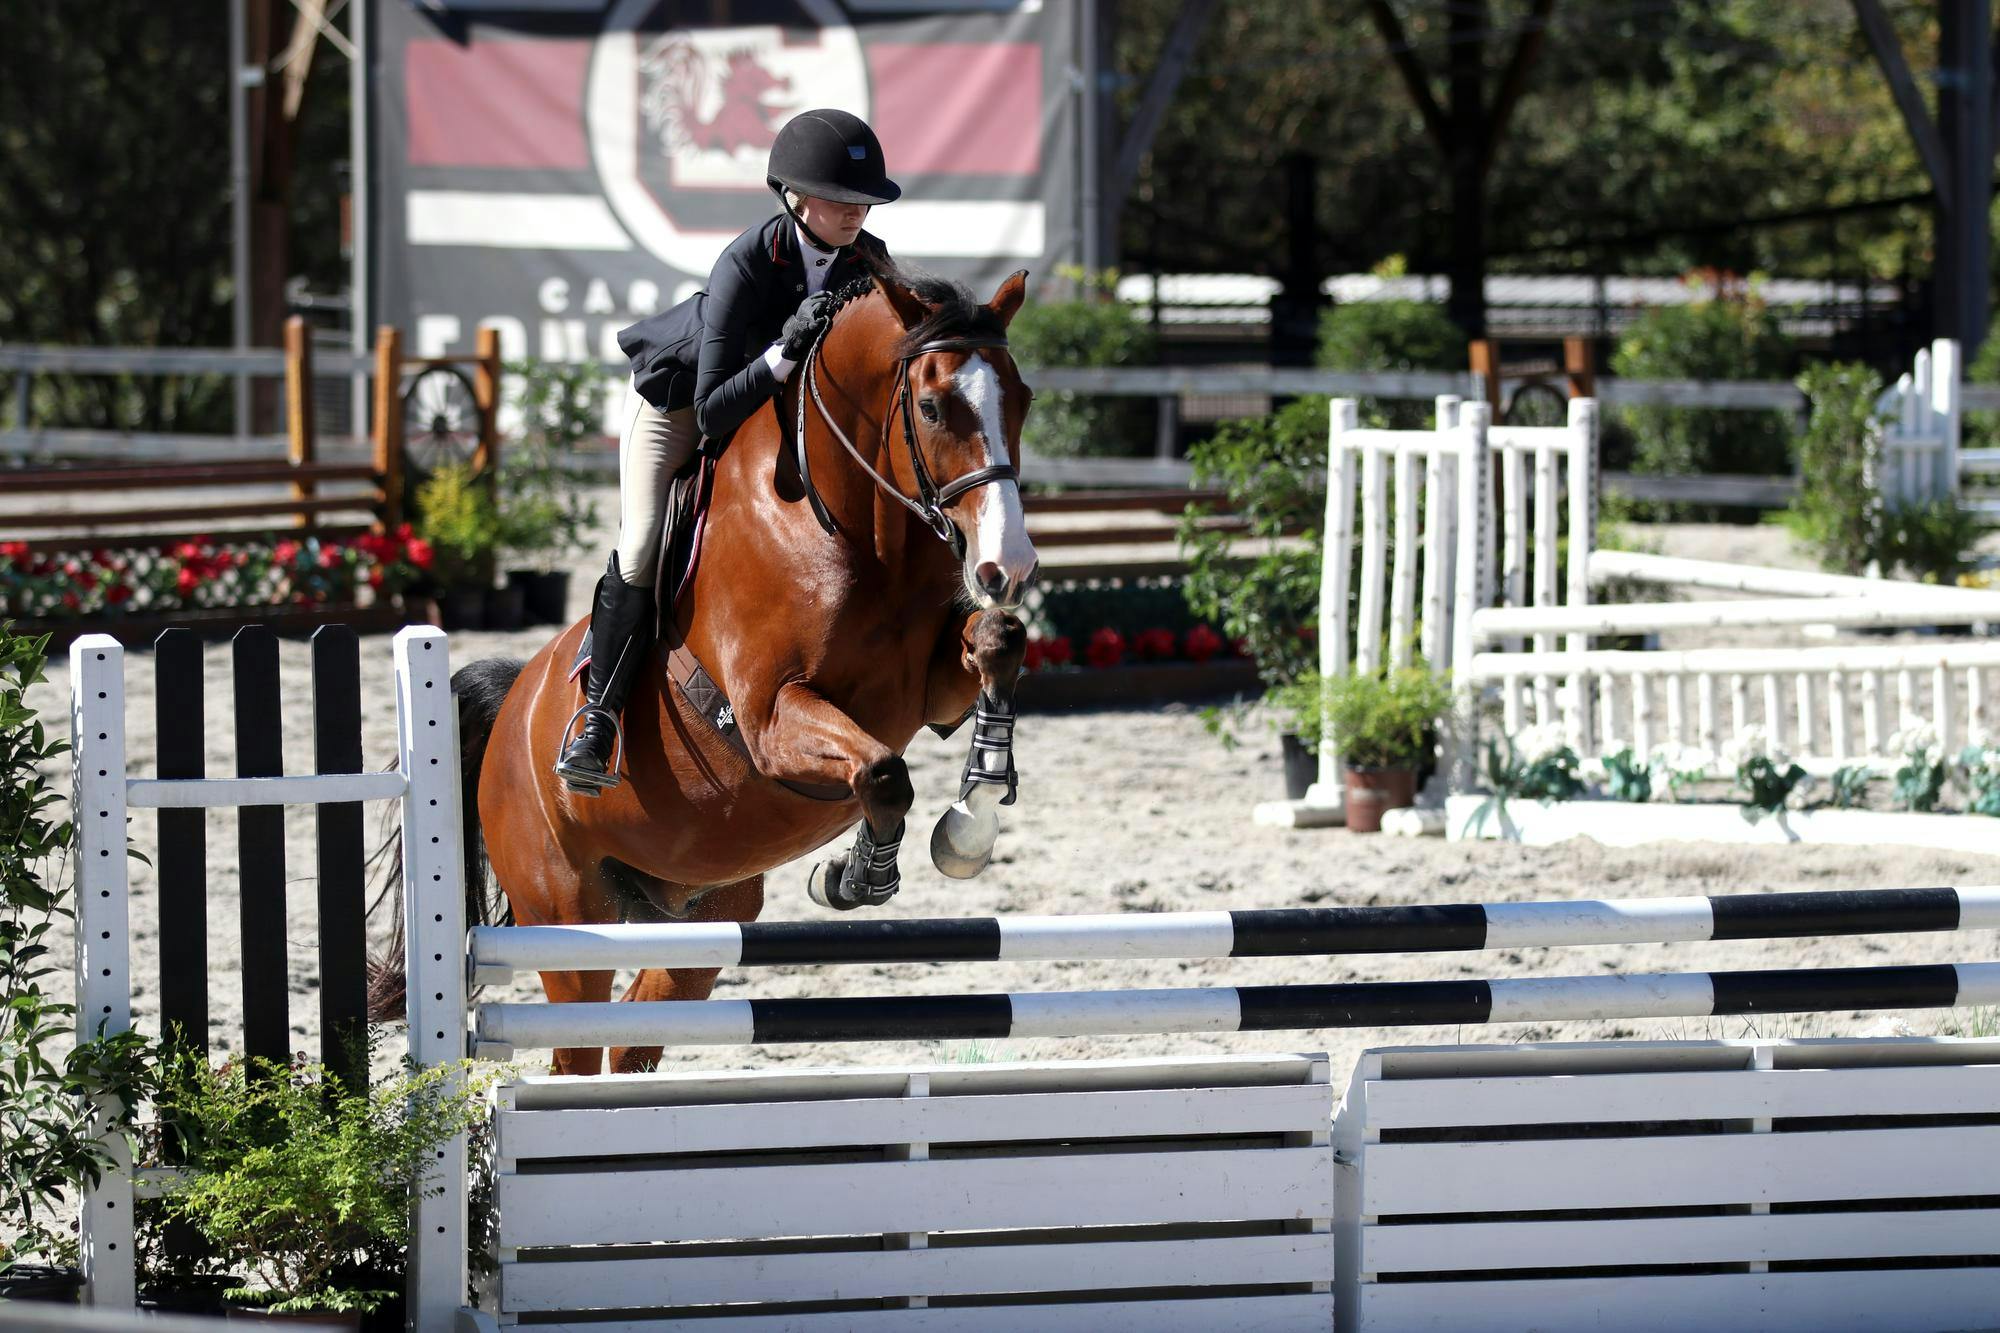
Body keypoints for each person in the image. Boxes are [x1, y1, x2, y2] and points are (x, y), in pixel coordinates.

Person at [555, 109, 900, 793]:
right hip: (680, 402)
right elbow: (712, 413)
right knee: (646, 538)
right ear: (796, 199)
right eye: (841, 197)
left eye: (863, 199)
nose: (856, 211)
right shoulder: (746, 262)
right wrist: (782, 351)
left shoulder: (868, 260)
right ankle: (599, 717)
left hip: (776, 416)